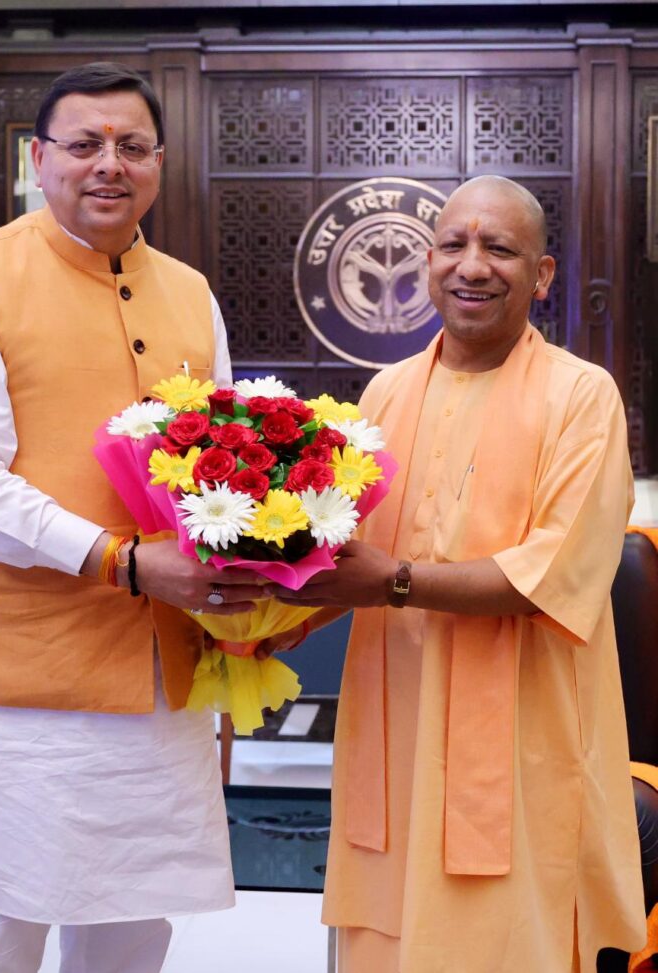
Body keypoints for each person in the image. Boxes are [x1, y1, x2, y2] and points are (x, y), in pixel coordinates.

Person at [0, 62, 264, 973]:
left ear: (159, 163)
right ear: (39, 158)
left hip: (160, 670)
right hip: (24, 676)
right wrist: (125, 561)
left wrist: (256, 590)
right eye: (84, 144)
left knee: (134, 929)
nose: (110, 164)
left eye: (132, 146)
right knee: (2, 928)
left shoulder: (189, 290)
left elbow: (224, 466)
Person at [259, 176, 646, 972]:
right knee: (389, 935)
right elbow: (350, 553)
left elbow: (550, 574)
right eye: (455, 244)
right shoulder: (387, 389)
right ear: (427, 259)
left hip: (517, 736)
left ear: (540, 275)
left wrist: (392, 582)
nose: (473, 265)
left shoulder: (583, 396)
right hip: (393, 726)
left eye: (500, 248)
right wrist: (271, 616)